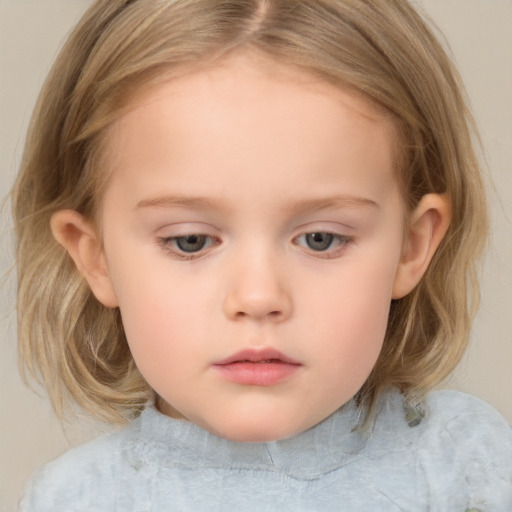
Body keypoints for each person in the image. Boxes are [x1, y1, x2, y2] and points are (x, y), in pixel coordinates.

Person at [13, 0, 512, 510]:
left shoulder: (464, 467)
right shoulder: (75, 498)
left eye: (321, 239)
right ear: (96, 257)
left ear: (412, 246)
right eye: (190, 241)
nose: (258, 297)